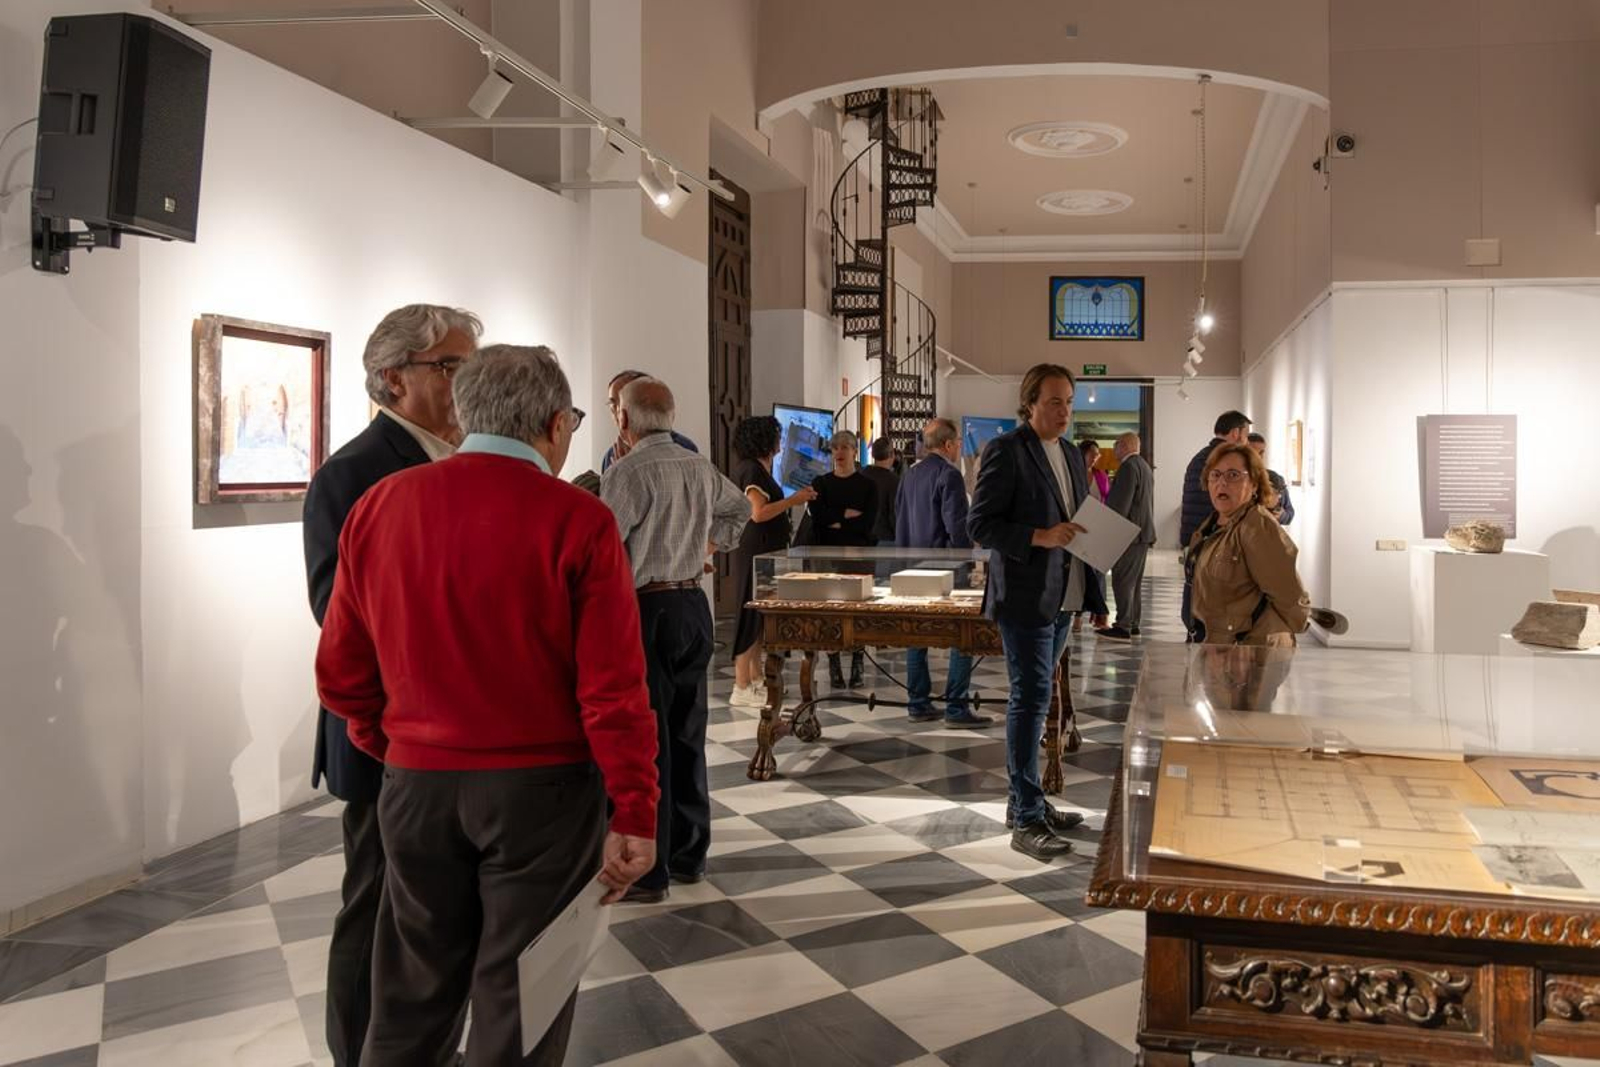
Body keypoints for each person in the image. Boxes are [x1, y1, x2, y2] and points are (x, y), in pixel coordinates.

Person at [315, 345, 660, 1065]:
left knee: (410, 995)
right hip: (543, 793)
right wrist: (634, 807)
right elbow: (612, 691)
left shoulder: (382, 505)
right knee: (522, 1003)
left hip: (416, 784)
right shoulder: (577, 518)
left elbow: (342, 671)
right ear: (556, 425)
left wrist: (396, 746)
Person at [301, 302, 480, 1067]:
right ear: (392, 377)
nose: (467, 382)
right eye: (451, 366)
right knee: (375, 906)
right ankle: (354, 1054)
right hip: (386, 734)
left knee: (440, 913)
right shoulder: (351, 473)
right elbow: (336, 610)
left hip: (457, 735)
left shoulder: (464, 464)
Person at [601, 378, 750, 904]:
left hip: (648, 610)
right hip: (693, 606)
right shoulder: (697, 465)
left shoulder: (627, 472)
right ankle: (690, 855)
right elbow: (741, 509)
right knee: (688, 732)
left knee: (650, 740)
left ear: (625, 419)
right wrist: (708, 545)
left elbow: (602, 544)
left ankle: (650, 871)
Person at [968, 364, 1090, 862]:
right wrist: (1039, 536)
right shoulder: (1006, 450)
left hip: (1063, 596)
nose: (1065, 411)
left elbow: (1079, 523)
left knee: (1041, 696)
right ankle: (1026, 817)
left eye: (1069, 402)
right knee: (1031, 699)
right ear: (1030, 403)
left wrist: (1093, 595)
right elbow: (980, 524)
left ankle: (1026, 801)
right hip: (1023, 597)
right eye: (1055, 401)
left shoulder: (1072, 454)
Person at [895, 418, 991, 728]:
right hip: (945, 568)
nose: (959, 447)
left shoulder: (910, 475)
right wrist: (969, 560)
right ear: (948, 445)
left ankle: (918, 702)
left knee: (915, 636)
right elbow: (957, 527)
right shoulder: (949, 474)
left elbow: (899, 518)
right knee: (962, 635)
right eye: (958, 442)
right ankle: (956, 706)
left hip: (910, 565)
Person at [728, 416, 816, 709]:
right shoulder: (752, 469)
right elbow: (758, 513)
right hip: (756, 549)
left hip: (764, 550)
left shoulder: (757, 468)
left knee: (758, 618)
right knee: (749, 616)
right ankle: (741, 683)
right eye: (777, 436)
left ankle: (755, 678)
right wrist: (794, 500)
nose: (781, 441)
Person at [1188, 440, 1311, 647]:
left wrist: (1264, 638)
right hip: (1218, 645)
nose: (1221, 483)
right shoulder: (1212, 525)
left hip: (1249, 651)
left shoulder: (1257, 527)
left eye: (1233, 475)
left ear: (1254, 484)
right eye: (1215, 475)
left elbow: (1289, 596)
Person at [810, 429, 878, 689]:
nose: (839, 452)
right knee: (830, 611)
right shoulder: (821, 483)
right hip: (827, 556)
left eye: (845, 447)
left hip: (859, 556)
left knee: (857, 610)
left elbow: (867, 523)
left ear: (854, 451)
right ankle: (834, 662)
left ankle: (858, 660)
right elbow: (819, 518)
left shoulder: (867, 485)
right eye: (835, 447)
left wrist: (835, 520)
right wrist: (845, 514)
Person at [1180, 409, 1252, 638]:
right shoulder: (1223, 460)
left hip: (1197, 538)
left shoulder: (1200, 456)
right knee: (1210, 602)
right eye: (1245, 435)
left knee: (1197, 596)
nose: (1246, 442)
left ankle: (1196, 636)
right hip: (1213, 539)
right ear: (1235, 433)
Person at [1098, 432, 1155, 641]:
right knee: (1134, 582)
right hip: (1142, 532)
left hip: (1129, 535)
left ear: (1123, 445)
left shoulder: (1128, 467)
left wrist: (1106, 528)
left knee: (1122, 580)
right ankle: (1133, 623)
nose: (1114, 449)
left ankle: (1122, 626)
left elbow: (1120, 504)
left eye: (1116, 444)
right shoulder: (1144, 466)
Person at [600, 369, 698, 471]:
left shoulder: (684, 448)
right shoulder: (610, 456)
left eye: (624, 400)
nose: (618, 410)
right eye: (613, 404)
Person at [1072, 439, 1111, 632]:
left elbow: (1107, 499)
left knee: (1099, 572)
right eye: (1092, 454)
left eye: (1097, 454)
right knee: (1080, 573)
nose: (1096, 457)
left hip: (1098, 527)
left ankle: (1100, 615)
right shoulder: (1073, 474)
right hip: (1078, 527)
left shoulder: (1100, 475)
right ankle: (1077, 616)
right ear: (1083, 454)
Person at [860, 435, 900, 547]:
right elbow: (894, 514)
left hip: (862, 537)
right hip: (885, 539)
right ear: (891, 454)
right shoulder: (894, 481)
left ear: (873, 454)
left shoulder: (862, 475)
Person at [1247, 432, 1295, 525]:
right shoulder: (1237, 480)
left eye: (1261, 452)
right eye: (1253, 453)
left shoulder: (1276, 478)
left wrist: (1281, 515)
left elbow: (1290, 513)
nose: (1258, 457)